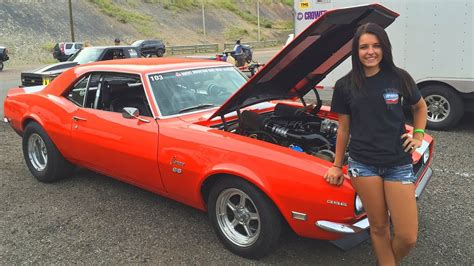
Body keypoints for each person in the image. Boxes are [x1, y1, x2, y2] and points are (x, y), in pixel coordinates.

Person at [324, 23, 427, 266]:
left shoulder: (399, 78)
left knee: (407, 236)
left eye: (376, 45)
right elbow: (344, 129)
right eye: (364, 47)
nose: (370, 51)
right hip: (363, 165)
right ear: (356, 51)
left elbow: (420, 107)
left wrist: (419, 136)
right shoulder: (345, 85)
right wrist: (337, 165)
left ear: (384, 48)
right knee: (379, 227)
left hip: (398, 163)